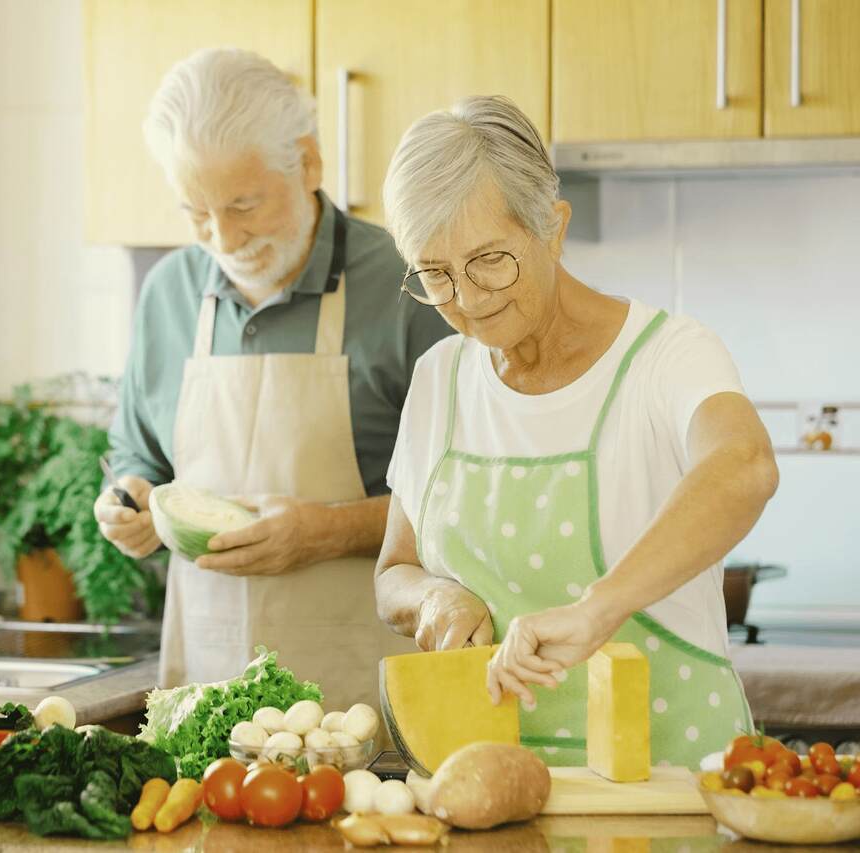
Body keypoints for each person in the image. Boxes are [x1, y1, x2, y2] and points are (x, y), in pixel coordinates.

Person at [374, 95, 779, 768]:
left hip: (672, 788)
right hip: (493, 784)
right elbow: (394, 570)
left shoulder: (667, 355)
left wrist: (600, 607)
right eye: (436, 274)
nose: (470, 300)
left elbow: (746, 465)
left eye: (490, 259)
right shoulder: (438, 378)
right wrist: (431, 595)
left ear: (553, 228)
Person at [94, 48, 452, 708]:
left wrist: (326, 531)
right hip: (206, 699)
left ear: (309, 163)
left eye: (243, 205)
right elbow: (135, 453)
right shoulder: (168, 294)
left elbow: (469, 494)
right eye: (196, 213)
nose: (223, 239)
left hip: (369, 704)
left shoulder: (411, 284)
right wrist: (128, 499)